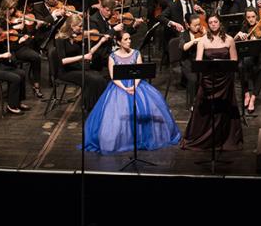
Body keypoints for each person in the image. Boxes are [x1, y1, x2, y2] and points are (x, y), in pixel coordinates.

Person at [84, 32, 180, 153]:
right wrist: (124, 88)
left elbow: (140, 72)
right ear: (119, 42)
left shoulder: (136, 53)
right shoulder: (112, 56)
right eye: (126, 39)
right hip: (119, 86)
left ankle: (142, 138)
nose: (129, 41)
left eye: (129, 39)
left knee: (149, 110)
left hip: (136, 84)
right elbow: (114, 77)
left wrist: (133, 86)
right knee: (118, 114)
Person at [182, 14, 243, 151]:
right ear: (208, 25)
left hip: (225, 80)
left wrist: (224, 65)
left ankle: (223, 137)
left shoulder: (229, 40)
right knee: (205, 108)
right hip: (208, 80)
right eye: (210, 22)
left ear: (220, 23)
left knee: (224, 108)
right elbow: (198, 62)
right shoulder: (203, 41)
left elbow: (234, 61)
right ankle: (204, 138)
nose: (213, 24)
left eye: (216, 21)